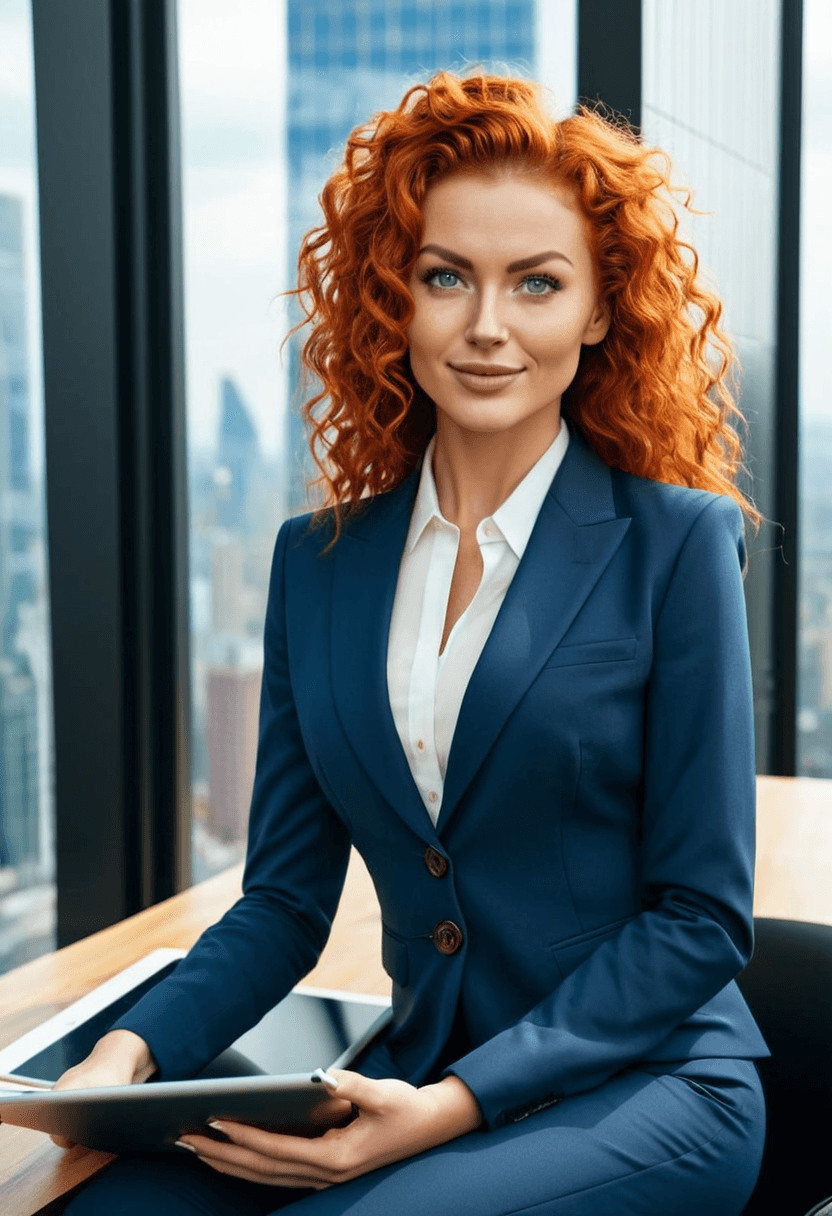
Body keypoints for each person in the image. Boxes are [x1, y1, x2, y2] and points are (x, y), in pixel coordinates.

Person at [58, 72, 769, 1215]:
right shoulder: (318, 563)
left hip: (642, 1086)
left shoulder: (676, 546)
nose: (487, 327)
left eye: (536, 284)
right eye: (447, 278)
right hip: (412, 1065)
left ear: (597, 310)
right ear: (397, 299)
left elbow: (700, 919)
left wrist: (447, 1108)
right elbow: (287, 900)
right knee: (105, 1206)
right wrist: (126, 1057)